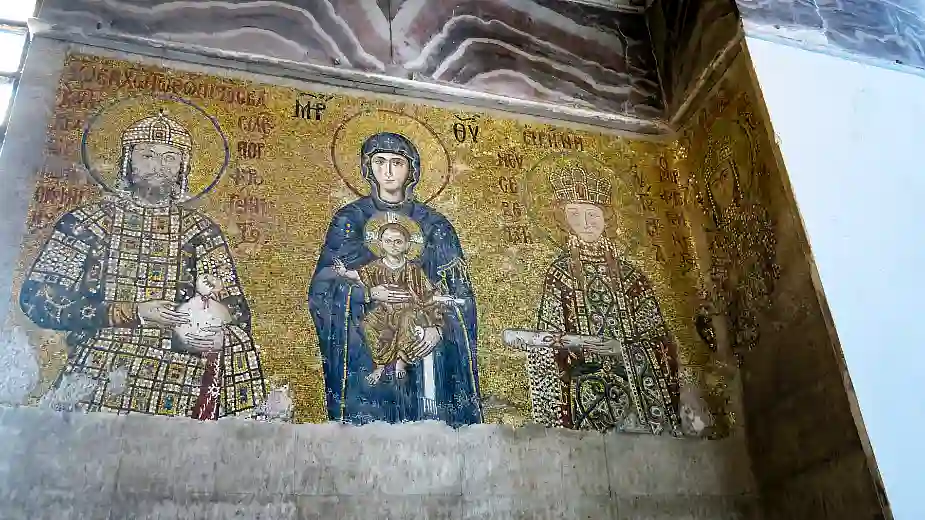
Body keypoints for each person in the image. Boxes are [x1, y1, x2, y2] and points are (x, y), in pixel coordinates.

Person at [19, 111, 265, 419]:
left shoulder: (200, 232)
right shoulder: (88, 223)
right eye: (147, 155)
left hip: (181, 375)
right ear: (128, 161)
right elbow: (38, 298)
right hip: (99, 367)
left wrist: (217, 336)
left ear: (182, 167)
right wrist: (132, 312)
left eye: (170, 158)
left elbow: (235, 308)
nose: (158, 166)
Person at [308, 132, 481, 426]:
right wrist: (368, 294)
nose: (388, 171)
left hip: (425, 339)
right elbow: (323, 287)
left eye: (397, 163)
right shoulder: (350, 220)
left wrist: (439, 329)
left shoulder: (435, 225)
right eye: (380, 162)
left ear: (411, 169)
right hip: (367, 344)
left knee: (430, 406)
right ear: (368, 168)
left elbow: (459, 295)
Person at [530, 165, 682, 435]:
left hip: (634, 396)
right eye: (574, 214)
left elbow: (659, 340)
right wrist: (573, 348)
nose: (585, 223)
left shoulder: (631, 277)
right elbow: (547, 340)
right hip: (582, 395)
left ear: (606, 218)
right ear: (564, 220)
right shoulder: (559, 275)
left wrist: (622, 349)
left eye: (592, 214)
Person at [335, 221, 454, 385]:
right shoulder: (375, 266)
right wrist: (344, 273)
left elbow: (427, 292)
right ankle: (380, 365)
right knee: (368, 325)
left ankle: (401, 361)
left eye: (398, 241)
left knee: (407, 320)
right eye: (388, 241)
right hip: (384, 311)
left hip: (408, 309)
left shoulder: (413, 269)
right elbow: (359, 275)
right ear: (380, 244)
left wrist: (442, 298)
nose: (393, 245)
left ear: (407, 245)